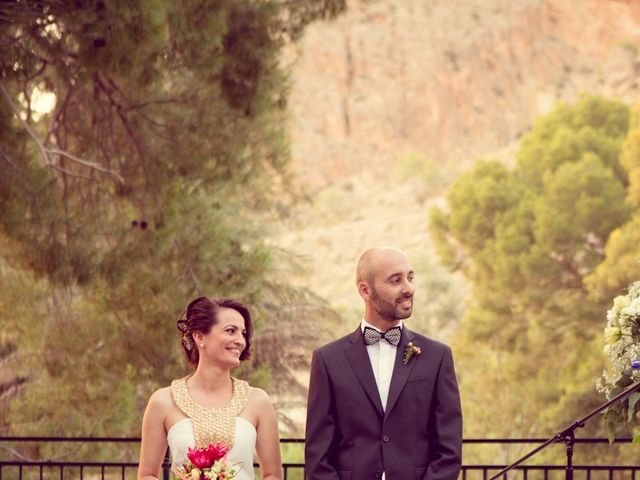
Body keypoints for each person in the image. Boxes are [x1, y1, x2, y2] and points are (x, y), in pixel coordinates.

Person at [305, 247, 462, 480]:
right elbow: (318, 457)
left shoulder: (437, 356)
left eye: (410, 278)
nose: (409, 288)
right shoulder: (328, 361)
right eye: (395, 280)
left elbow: (449, 452)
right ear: (365, 290)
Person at [138, 297, 282, 480]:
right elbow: (147, 475)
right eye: (231, 331)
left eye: (243, 333)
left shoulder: (259, 401)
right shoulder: (162, 401)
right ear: (199, 336)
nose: (241, 341)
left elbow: (273, 475)